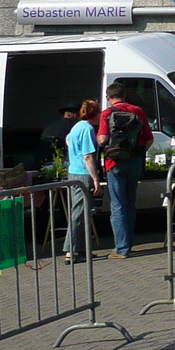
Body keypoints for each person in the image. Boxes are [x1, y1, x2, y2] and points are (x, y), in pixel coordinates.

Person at [96, 82, 153, 259]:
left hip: (114, 163)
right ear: (125, 95)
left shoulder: (107, 113)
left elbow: (102, 139)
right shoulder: (137, 111)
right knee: (130, 203)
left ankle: (121, 248)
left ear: (108, 98)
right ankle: (128, 243)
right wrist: (137, 152)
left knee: (117, 204)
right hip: (134, 161)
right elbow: (149, 139)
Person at [62, 100, 102, 263]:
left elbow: (68, 140)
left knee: (83, 212)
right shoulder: (87, 129)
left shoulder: (76, 127)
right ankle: (70, 250)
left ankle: (81, 248)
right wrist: (96, 179)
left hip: (73, 172)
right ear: (96, 114)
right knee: (79, 213)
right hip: (82, 174)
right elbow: (87, 156)